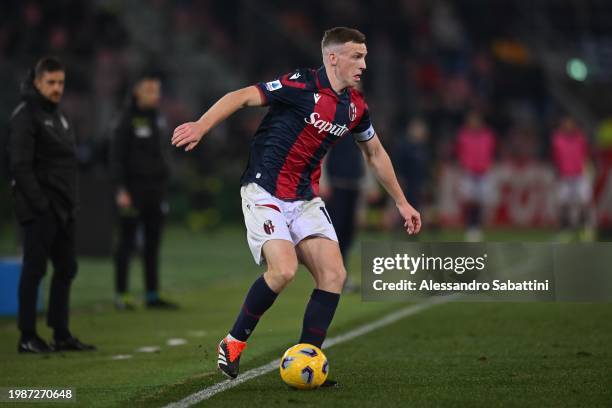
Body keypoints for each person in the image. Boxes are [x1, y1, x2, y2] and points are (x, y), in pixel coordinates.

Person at [171, 27, 421, 380]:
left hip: (303, 197)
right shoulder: (301, 84)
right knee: (283, 270)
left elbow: (375, 152)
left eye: (364, 56)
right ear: (332, 57)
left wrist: (401, 201)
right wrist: (201, 125)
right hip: (265, 191)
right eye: (356, 56)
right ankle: (233, 341)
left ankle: (307, 360)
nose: (364, 64)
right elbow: (241, 96)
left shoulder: (355, 107)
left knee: (334, 274)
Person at [7, 57, 95, 353]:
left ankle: (60, 333)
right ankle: (27, 336)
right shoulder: (25, 116)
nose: (57, 88)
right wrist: (40, 203)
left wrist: (69, 202)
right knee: (34, 270)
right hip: (40, 207)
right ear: (37, 82)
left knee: (66, 267)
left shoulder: (59, 115)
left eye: (60, 83)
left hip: (63, 207)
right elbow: (19, 165)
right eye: (51, 83)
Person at [110, 71, 177, 309]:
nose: (155, 95)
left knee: (152, 244)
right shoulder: (126, 119)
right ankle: (122, 295)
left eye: (157, 91)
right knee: (126, 244)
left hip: (155, 190)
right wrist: (121, 190)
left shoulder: (157, 118)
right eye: (150, 90)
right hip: (133, 190)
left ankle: (151, 295)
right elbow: (116, 157)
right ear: (137, 91)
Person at [455, 110, 496, 242]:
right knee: (470, 201)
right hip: (469, 172)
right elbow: (459, 152)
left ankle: (477, 226)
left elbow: (491, 152)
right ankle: (470, 226)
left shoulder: (488, 136)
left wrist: (488, 165)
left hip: (483, 173)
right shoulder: (463, 136)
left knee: (480, 201)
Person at [551, 115, 592, 240]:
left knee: (584, 203)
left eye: (570, 124)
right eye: (565, 124)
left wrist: (587, 170)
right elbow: (555, 157)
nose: (568, 126)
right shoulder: (557, 139)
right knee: (563, 204)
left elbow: (586, 155)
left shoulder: (581, 138)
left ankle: (586, 228)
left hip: (580, 176)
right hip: (565, 176)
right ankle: (565, 229)